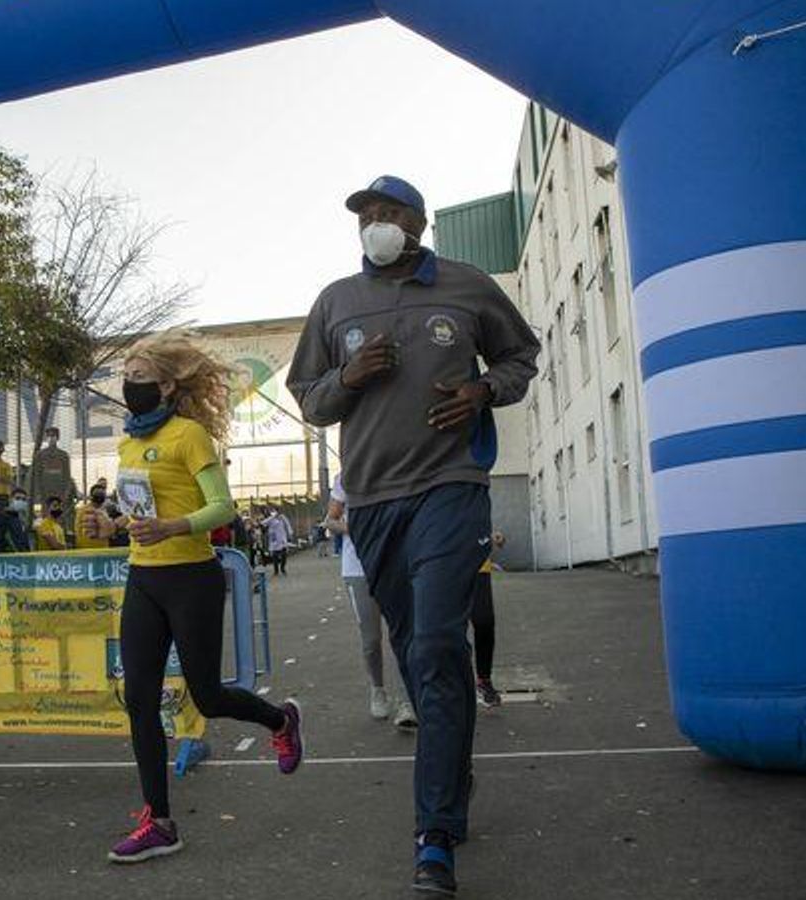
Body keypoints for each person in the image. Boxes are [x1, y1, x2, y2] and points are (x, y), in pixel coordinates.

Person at [287, 175, 539, 895]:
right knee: (420, 653)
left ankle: (433, 837)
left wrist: (484, 390)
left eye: (387, 211)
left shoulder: (467, 286)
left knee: (433, 644)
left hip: (451, 487)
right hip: (371, 503)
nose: (374, 223)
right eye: (365, 214)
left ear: (418, 223)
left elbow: (521, 357)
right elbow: (310, 400)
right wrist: (351, 376)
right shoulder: (336, 302)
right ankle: (453, 781)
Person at [84, 331, 302, 864]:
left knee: (206, 696)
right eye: (125, 378)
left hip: (192, 578)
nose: (128, 387)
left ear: (165, 384)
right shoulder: (129, 444)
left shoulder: (190, 436)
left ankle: (280, 720)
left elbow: (222, 509)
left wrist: (174, 526)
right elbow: (138, 515)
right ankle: (159, 822)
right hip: (144, 579)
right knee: (139, 700)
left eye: (137, 379)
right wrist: (108, 523)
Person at [327, 472, 416, 726]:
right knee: (371, 639)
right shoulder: (346, 477)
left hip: (396, 564)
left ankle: (407, 701)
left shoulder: (398, 469)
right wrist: (356, 528)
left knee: (404, 633)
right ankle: (378, 690)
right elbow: (330, 521)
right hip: (358, 568)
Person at [473, 530, 506, 708]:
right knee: (452, 630)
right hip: (451, 565)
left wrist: (493, 535)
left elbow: (479, 520)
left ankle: (483, 681)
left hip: (480, 566)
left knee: (484, 621)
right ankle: (452, 684)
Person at [31, 427, 77, 529]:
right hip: (46, 491)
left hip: (60, 491)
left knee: (60, 517)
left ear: (57, 438)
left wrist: (66, 492)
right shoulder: (40, 455)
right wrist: (39, 492)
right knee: (47, 516)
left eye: (54, 436)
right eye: (49, 436)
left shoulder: (63, 455)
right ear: (46, 438)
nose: (51, 438)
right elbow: (37, 475)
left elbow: (67, 475)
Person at [0, 487, 33, 553]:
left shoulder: (20, 520)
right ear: (10, 500)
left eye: (24, 499)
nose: (21, 501)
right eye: (17, 498)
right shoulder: (1, 519)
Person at [74, 483, 112, 550]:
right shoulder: (85, 511)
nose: (100, 496)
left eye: (102, 494)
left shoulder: (103, 511)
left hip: (101, 549)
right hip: (90, 551)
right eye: (98, 493)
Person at [263, 507, 293, 576]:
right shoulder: (270, 519)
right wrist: (272, 517)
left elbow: (288, 525)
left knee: (284, 555)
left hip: (282, 539)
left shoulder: (282, 518)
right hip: (274, 540)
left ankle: (282, 568)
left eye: (275, 511)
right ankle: (276, 570)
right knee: (275, 556)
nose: (274, 512)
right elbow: (264, 523)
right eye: (272, 511)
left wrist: (290, 534)